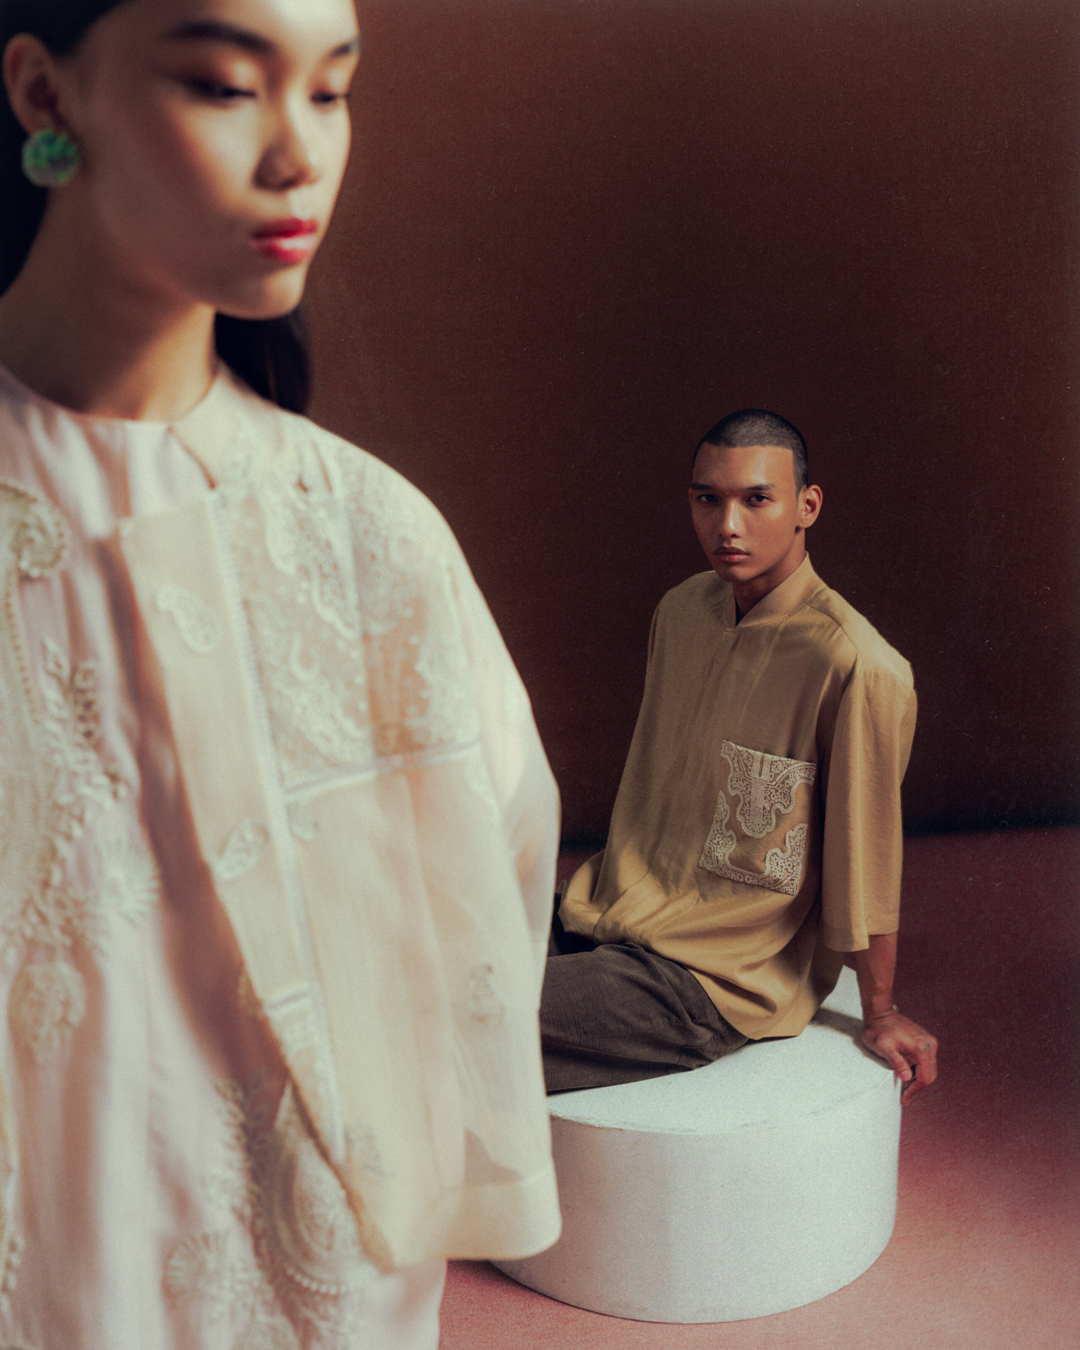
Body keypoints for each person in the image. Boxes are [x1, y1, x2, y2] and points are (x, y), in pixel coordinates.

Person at [0, 1, 560, 1346]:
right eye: (224, 84)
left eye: (331, 90)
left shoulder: (370, 539)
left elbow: (489, 912)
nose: (300, 154)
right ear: (44, 94)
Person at [543, 408, 939, 1103]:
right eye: (709, 499)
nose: (728, 525)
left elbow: (866, 859)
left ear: (806, 506)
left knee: (460, 1014)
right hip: (605, 910)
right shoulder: (681, 611)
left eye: (757, 499)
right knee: (414, 953)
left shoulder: (857, 666)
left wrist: (880, 1011)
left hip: (710, 975)